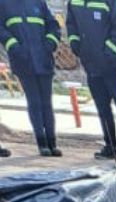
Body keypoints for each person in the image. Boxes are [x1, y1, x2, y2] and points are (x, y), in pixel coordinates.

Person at [66, 0, 116, 161]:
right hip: (92, 66)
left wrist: (108, 55)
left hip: (114, 67)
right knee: (103, 109)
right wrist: (76, 46)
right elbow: (72, 25)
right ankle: (110, 147)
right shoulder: (74, 2)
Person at [0, 0, 62, 156]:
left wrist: (50, 43)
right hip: (23, 61)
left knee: (46, 103)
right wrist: (14, 47)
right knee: (34, 102)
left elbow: (53, 25)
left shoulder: (39, 3)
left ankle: (52, 143)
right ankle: (42, 143)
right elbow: (1, 29)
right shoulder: (5, 4)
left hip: (43, 60)